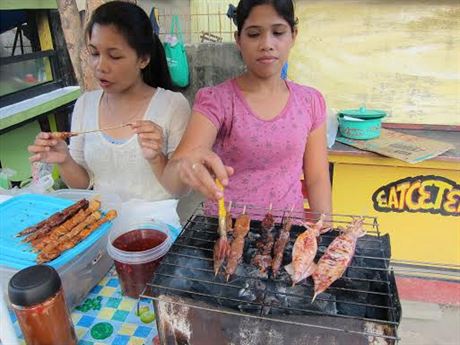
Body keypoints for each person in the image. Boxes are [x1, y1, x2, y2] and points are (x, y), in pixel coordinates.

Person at [161, 0, 331, 217]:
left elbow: (317, 178)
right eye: (253, 34)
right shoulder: (217, 101)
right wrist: (183, 168)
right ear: (238, 40)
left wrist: (325, 232)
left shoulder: (310, 102)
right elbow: (173, 179)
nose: (267, 44)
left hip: (287, 234)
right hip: (224, 232)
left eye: (278, 32)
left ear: (293, 35)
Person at [28, 1, 191, 202]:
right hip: (102, 223)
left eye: (114, 56)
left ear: (143, 59)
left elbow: (181, 189)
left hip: (155, 226)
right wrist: (64, 160)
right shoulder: (85, 104)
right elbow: (82, 184)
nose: (100, 66)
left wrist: (157, 159)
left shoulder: (172, 106)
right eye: (95, 53)